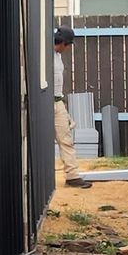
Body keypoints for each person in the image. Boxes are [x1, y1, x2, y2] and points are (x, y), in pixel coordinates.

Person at [52, 25, 76, 182]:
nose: (67, 49)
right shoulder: (46, 55)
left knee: (66, 138)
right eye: (67, 45)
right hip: (44, 101)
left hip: (57, 101)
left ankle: (73, 176)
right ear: (63, 43)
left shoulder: (58, 55)